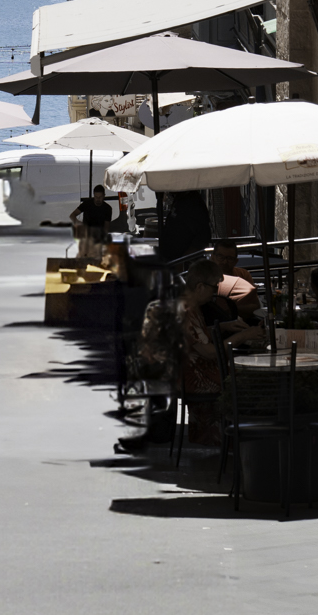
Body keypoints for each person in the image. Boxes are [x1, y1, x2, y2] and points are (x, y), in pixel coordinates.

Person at [129, 260, 228, 449]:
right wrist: (241, 337)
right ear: (200, 287)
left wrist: (226, 326)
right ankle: (234, 439)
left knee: (234, 376)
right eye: (214, 288)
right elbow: (208, 352)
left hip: (182, 370)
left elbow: (195, 334)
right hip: (186, 375)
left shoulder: (187, 303)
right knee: (237, 383)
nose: (215, 293)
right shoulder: (186, 309)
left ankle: (227, 438)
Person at [70, 183, 114, 255]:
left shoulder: (107, 209)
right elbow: (72, 215)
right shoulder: (87, 204)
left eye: (100, 197)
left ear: (104, 196)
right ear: (94, 195)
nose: (98, 199)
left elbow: (106, 227)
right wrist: (79, 223)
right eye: (96, 197)